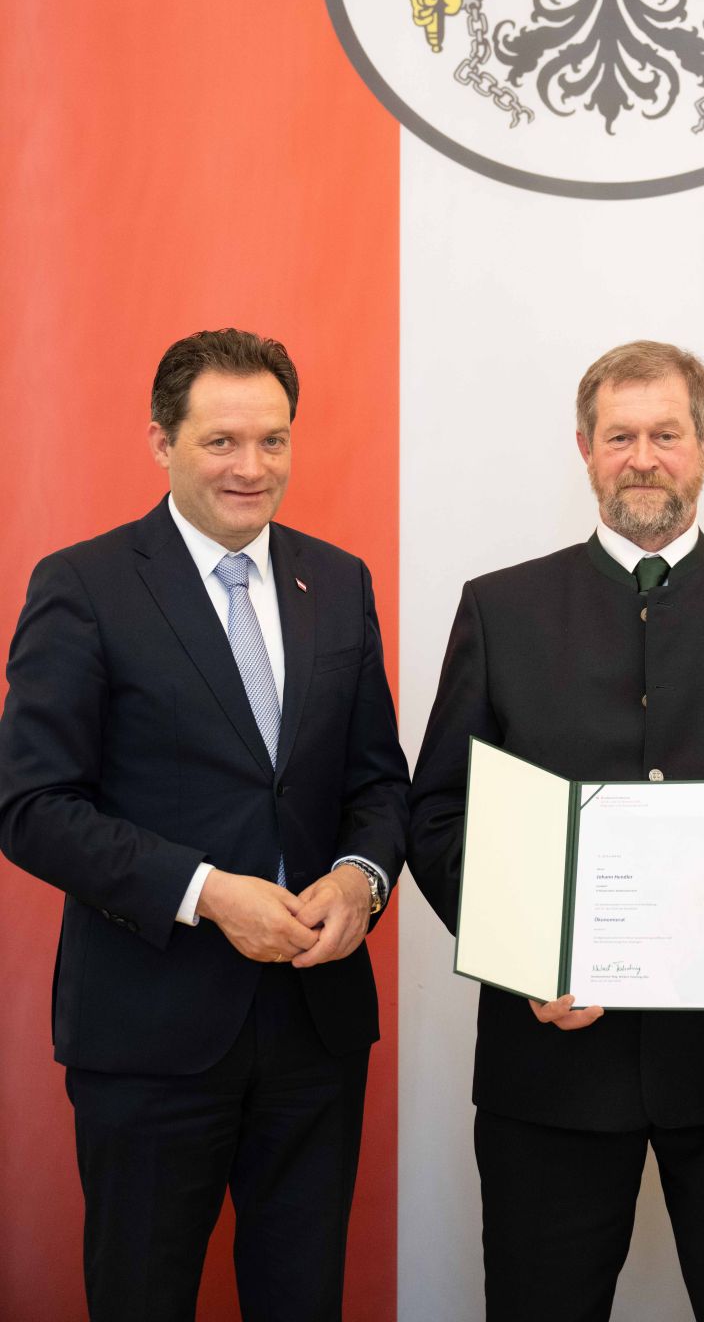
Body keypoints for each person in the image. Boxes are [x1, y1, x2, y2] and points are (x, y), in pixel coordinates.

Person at [409, 339, 704, 1322]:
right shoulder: (501, 608)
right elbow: (439, 812)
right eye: (620, 435)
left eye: (666, 434)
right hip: (552, 1060)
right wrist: (525, 951)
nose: (643, 456)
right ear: (583, 448)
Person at [0, 328, 410, 1322]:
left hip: (315, 1030)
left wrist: (362, 876)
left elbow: (380, 782)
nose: (252, 466)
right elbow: (31, 803)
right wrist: (206, 893)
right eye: (222, 440)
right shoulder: (86, 584)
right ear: (161, 440)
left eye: (273, 440)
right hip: (149, 1029)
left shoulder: (338, 581)